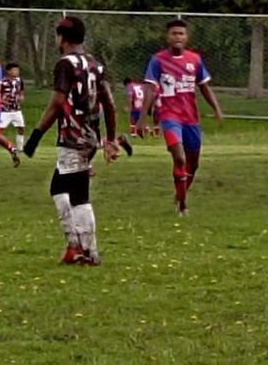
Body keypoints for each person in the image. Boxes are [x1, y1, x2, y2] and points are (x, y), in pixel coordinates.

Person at [23, 16, 122, 265]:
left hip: (73, 137)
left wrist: (36, 135)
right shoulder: (95, 64)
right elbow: (109, 104)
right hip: (90, 136)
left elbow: (58, 102)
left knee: (78, 194)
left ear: (61, 38)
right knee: (59, 188)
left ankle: (88, 251)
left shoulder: (65, 64)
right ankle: (74, 246)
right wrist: (109, 138)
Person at [140, 19, 223, 216]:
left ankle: (180, 194)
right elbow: (150, 89)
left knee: (193, 163)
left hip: (190, 118)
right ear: (167, 37)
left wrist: (217, 108)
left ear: (187, 37)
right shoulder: (158, 60)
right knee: (179, 158)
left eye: (181, 33)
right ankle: (183, 205)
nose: (177, 37)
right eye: (174, 33)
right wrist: (143, 117)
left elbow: (204, 87)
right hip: (170, 117)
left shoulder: (194, 60)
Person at [0, 62, 26, 152]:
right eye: (14, 70)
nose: (16, 72)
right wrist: (1, 100)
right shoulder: (2, 81)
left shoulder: (19, 81)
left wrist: (21, 97)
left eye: (17, 70)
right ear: (8, 71)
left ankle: (20, 148)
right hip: (5, 110)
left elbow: (21, 91)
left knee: (21, 127)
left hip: (16, 109)